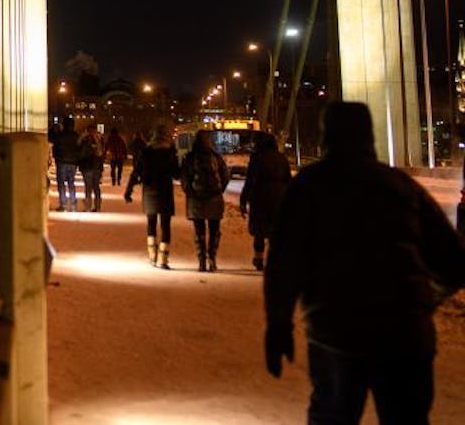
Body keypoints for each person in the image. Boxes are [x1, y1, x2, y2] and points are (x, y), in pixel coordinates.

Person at [264, 101, 465, 423]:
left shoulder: (309, 186)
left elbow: (284, 263)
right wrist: (422, 301)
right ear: (369, 135)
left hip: (337, 330)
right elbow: (453, 262)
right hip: (406, 334)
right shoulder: (402, 186)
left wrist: (278, 324)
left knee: (332, 415)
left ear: (326, 133)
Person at [124, 124, 179, 268]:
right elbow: (177, 174)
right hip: (165, 191)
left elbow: (136, 172)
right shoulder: (170, 152)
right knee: (166, 225)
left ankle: (152, 255)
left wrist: (128, 190)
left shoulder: (146, 151)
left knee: (151, 223)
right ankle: (163, 258)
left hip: (150, 192)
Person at [180, 128, 231, 271]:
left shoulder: (189, 157)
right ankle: (212, 259)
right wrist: (219, 191)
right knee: (214, 230)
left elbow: (184, 178)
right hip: (214, 198)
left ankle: (201, 260)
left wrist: (190, 192)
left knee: (199, 231)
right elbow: (225, 176)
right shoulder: (216, 157)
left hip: (196, 199)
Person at [240, 131, 292, 270]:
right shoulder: (282, 158)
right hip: (279, 199)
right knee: (277, 230)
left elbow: (250, 180)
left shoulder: (257, 158)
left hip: (260, 198)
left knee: (259, 231)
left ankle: (259, 258)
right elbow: (288, 180)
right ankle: (276, 259)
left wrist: (243, 201)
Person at [52, 117, 82, 212]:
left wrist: (56, 158)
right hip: (72, 162)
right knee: (71, 183)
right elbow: (79, 149)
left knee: (61, 184)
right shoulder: (76, 136)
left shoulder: (60, 135)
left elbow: (55, 148)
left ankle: (63, 204)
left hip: (61, 161)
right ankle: (73, 204)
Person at [77, 125, 106, 212]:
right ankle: (97, 207)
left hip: (87, 166)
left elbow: (78, 147)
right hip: (97, 166)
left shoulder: (84, 139)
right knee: (96, 187)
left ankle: (88, 207)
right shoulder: (100, 139)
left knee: (88, 187)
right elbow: (102, 153)